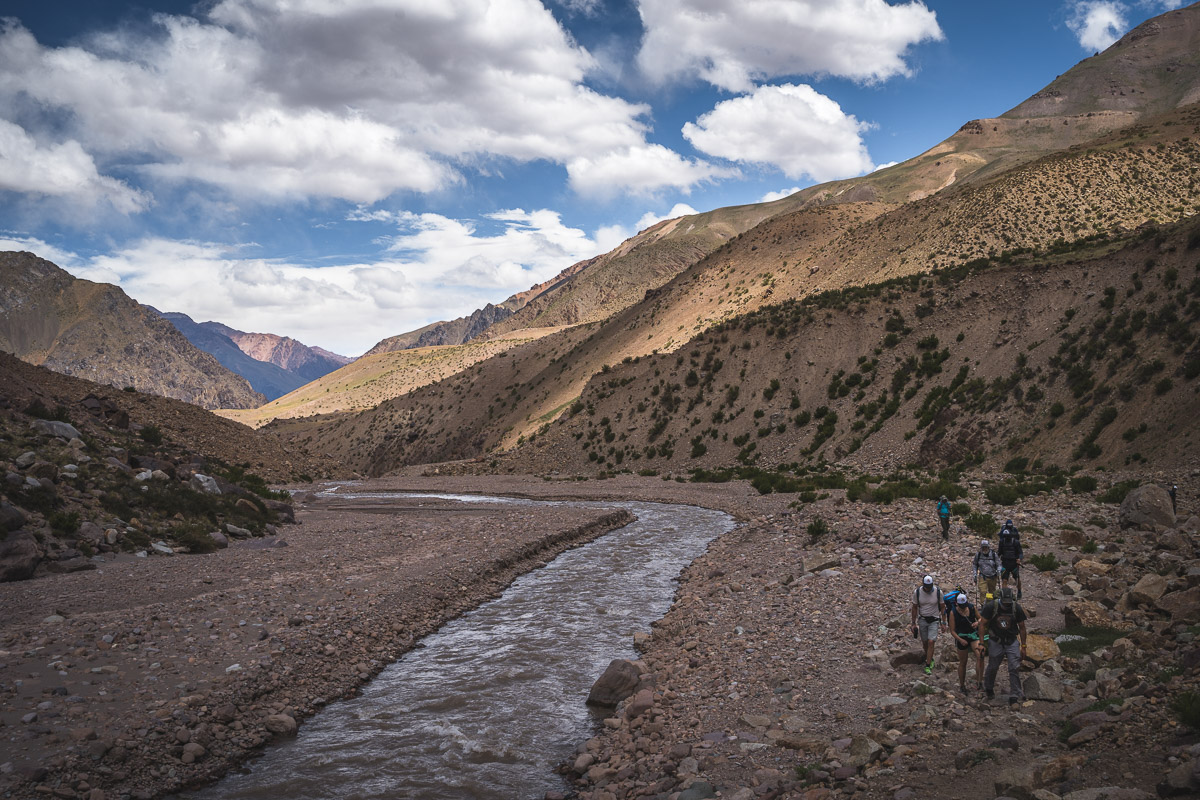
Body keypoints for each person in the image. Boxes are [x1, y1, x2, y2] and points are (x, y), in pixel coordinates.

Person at [980, 587, 1028, 705]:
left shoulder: (1016, 608)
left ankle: (1014, 694)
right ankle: (989, 687)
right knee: (993, 666)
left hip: (1011, 641)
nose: (1007, 605)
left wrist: (1023, 645)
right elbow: (982, 624)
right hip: (995, 641)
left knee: (1014, 667)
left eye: (1009, 603)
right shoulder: (991, 607)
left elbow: (1022, 627)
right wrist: (981, 643)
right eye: (1005, 602)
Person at [948, 592, 985, 694]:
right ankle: (962, 685)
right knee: (963, 662)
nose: (964, 608)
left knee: (980, 656)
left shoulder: (972, 608)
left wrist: (977, 623)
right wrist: (960, 640)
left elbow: (980, 618)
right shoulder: (953, 613)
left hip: (972, 635)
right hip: (961, 636)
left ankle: (979, 681)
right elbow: (952, 630)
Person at [910, 575, 944, 675]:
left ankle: (928, 665)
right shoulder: (917, 593)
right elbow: (914, 607)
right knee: (925, 642)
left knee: (931, 641)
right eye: (926, 586)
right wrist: (913, 623)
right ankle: (930, 657)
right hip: (923, 619)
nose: (928, 589)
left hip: (934, 620)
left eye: (929, 586)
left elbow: (942, 607)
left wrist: (944, 622)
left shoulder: (938, 592)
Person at [997, 519, 1023, 599]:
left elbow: (1020, 553)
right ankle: (1004, 594)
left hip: (1014, 563)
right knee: (1004, 580)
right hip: (1005, 563)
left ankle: (1019, 591)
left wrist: (1019, 559)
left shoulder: (1015, 542)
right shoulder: (1002, 542)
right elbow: (999, 552)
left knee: (1017, 578)